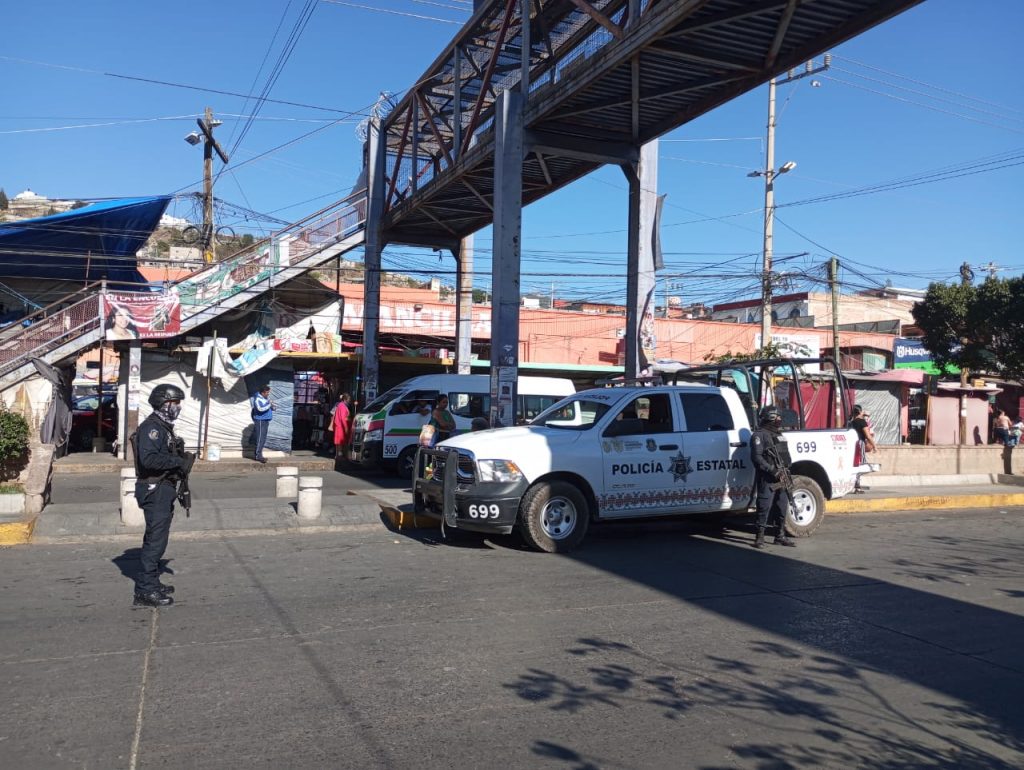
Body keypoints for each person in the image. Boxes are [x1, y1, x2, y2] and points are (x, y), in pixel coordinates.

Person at [132, 383, 194, 607]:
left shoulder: (163, 427)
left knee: (158, 539)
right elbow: (148, 460)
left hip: (163, 488)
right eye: (174, 402)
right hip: (154, 488)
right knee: (155, 541)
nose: (178, 407)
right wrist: (177, 461)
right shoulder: (152, 428)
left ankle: (152, 582)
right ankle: (145, 590)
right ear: (163, 403)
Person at [750, 405, 797, 549]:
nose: (780, 419)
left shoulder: (779, 435)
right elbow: (757, 458)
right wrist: (773, 471)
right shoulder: (759, 435)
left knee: (782, 506)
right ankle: (760, 537)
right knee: (764, 506)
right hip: (768, 477)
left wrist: (785, 471)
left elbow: (785, 455)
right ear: (770, 417)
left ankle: (780, 536)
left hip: (783, 476)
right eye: (778, 416)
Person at [849, 404, 876, 492]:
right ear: (860, 412)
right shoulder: (862, 422)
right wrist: (874, 446)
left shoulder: (850, 423)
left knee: (854, 464)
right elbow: (868, 436)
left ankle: (854, 484)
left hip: (851, 444)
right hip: (859, 444)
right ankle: (856, 485)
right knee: (861, 464)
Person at [251, 384, 274, 463]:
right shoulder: (258, 399)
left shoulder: (265, 398)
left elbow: (268, 406)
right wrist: (269, 404)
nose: (268, 394)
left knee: (263, 439)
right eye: (267, 392)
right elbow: (260, 409)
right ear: (262, 392)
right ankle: (258, 456)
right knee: (260, 438)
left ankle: (260, 455)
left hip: (265, 420)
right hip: (260, 420)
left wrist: (272, 406)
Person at [331, 392, 352, 457]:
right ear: (345, 399)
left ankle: (338, 455)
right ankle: (340, 455)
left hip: (339, 426)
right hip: (341, 427)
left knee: (339, 442)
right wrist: (346, 427)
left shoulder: (340, 405)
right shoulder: (342, 406)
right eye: (349, 399)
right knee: (340, 441)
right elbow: (343, 418)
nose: (349, 401)